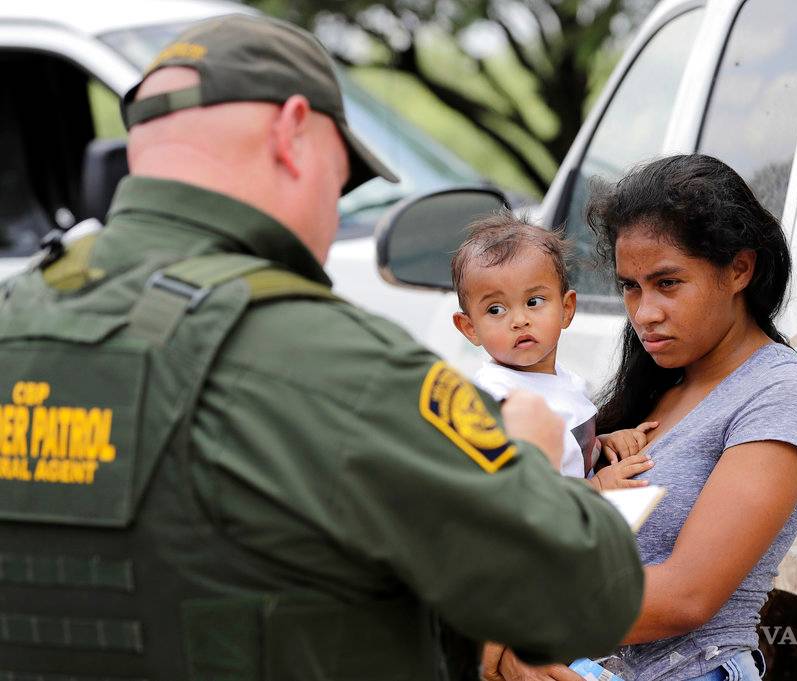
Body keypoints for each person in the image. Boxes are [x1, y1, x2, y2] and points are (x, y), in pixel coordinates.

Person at [0, 14, 643, 681]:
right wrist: (530, 465)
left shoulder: (14, 319)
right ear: (291, 133)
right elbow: (593, 594)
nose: (334, 219)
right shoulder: (335, 363)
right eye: (338, 182)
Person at [491, 154, 797, 681]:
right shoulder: (653, 385)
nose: (645, 312)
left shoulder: (780, 392)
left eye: (668, 283)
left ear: (740, 269)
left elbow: (686, 596)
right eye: (631, 286)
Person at [450, 212, 657, 490]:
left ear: (566, 309)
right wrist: (596, 486)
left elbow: (566, 454)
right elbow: (524, 491)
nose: (519, 320)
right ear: (470, 328)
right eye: (495, 309)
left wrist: (603, 444)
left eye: (534, 301)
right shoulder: (499, 400)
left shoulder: (565, 381)